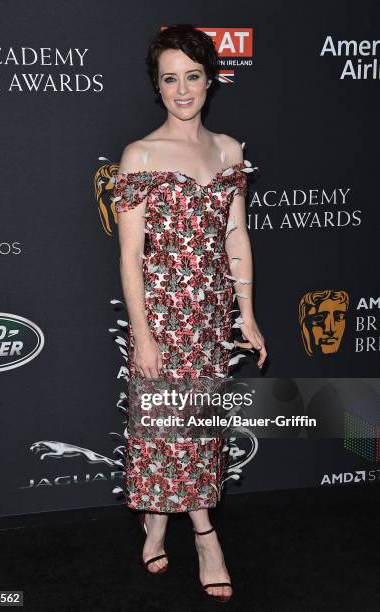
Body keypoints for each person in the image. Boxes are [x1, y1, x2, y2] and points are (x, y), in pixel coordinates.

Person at [112, 23, 267, 603]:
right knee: (161, 427)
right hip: (162, 314)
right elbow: (129, 257)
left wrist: (245, 314)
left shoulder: (229, 150)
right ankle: (205, 535)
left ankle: (156, 521)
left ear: (210, 80)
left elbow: (236, 237)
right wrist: (144, 335)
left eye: (192, 77)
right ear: (158, 86)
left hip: (210, 315)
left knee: (195, 428)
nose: (182, 90)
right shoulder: (141, 154)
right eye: (169, 79)